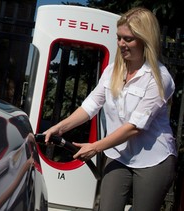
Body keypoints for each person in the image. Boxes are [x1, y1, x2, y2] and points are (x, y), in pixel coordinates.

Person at [43, 7, 177, 211]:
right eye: (119, 38)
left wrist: (95, 146)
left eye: (128, 39)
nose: (121, 44)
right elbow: (89, 107)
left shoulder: (159, 78)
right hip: (119, 154)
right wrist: (59, 128)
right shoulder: (113, 70)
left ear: (145, 40)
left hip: (153, 159)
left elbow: (135, 127)